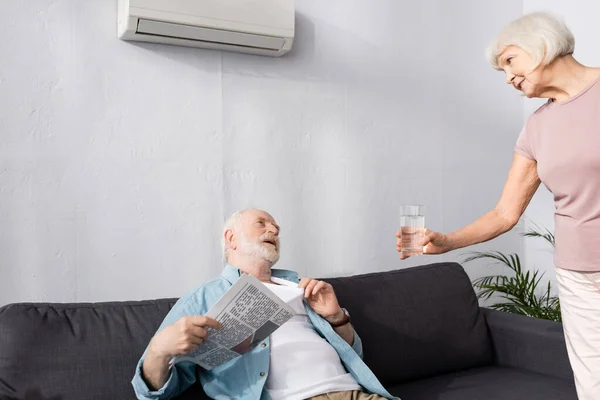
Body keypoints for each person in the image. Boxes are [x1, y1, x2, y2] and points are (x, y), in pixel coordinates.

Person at [396, 12, 600, 400]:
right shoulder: (538, 127)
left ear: (543, 44)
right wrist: (447, 241)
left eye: (509, 61)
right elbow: (505, 213)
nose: (507, 77)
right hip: (578, 274)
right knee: (593, 382)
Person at [133, 209, 396, 400]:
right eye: (262, 223)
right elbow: (150, 394)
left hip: (355, 393)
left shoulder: (301, 286)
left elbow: (355, 356)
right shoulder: (202, 298)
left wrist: (337, 317)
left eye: (276, 228)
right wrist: (158, 350)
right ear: (231, 238)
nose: (274, 230)